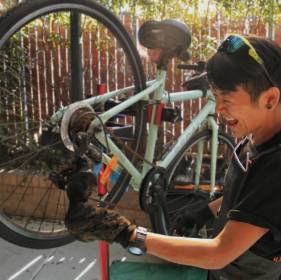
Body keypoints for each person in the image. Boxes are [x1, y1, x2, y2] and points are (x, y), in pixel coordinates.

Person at [64, 34, 281, 280]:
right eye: (216, 97)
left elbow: (219, 252)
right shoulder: (257, 132)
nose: (219, 109)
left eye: (226, 100)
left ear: (270, 99)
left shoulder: (276, 167)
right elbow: (251, 196)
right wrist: (207, 211)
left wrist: (127, 234)